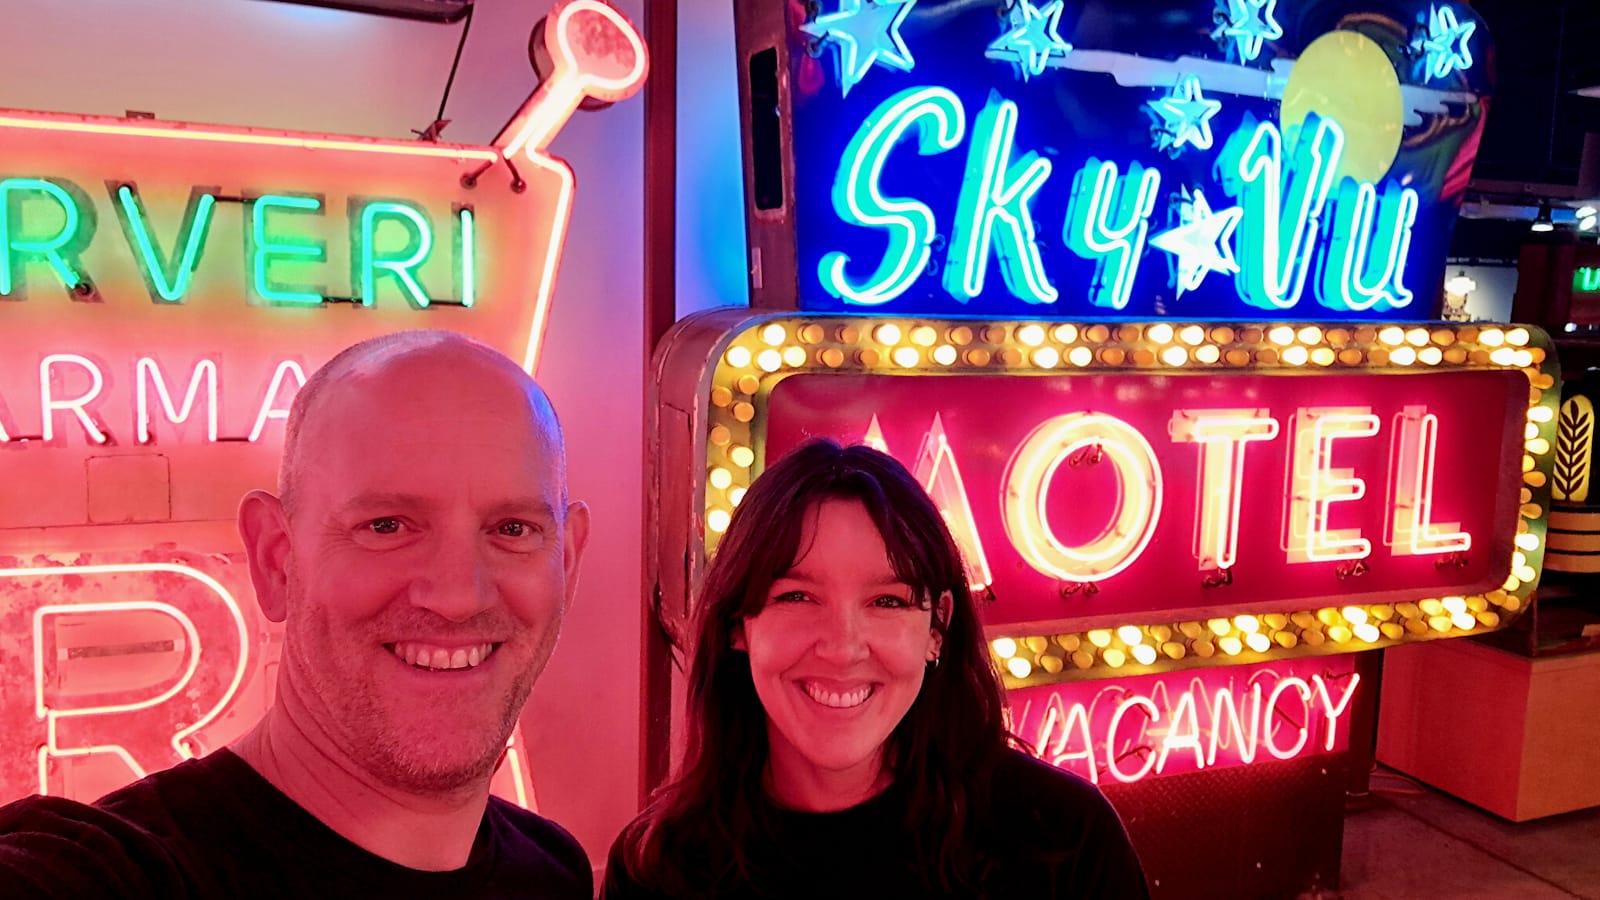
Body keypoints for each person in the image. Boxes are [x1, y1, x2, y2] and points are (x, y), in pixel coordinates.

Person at [0, 330, 593, 897]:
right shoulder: (122, 870)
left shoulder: (550, 870)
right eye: (385, 526)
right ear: (277, 560)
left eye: (513, 529)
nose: (459, 595)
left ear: (567, 561)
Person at [604, 440, 1148, 898]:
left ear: (937, 627)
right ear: (738, 626)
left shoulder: (1063, 838)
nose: (842, 649)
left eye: (886, 601)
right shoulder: (656, 870)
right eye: (796, 595)